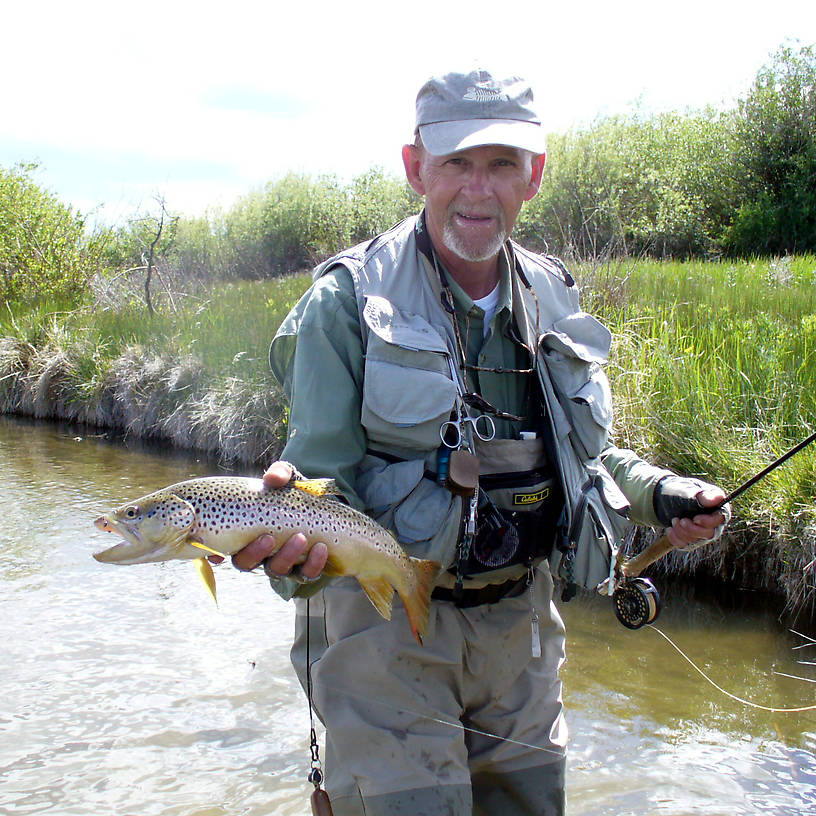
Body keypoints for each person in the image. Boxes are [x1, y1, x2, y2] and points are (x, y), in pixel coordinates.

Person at [230, 68, 730, 815]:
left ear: (534, 175)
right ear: (414, 168)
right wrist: (289, 543)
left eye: (501, 164)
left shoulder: (554, 294)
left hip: (522, 635)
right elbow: (319, 484)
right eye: (456, 163)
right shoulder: (344, 302)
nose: (477, 188)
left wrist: (665, 495)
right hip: (383, 635)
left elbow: (582, 457)